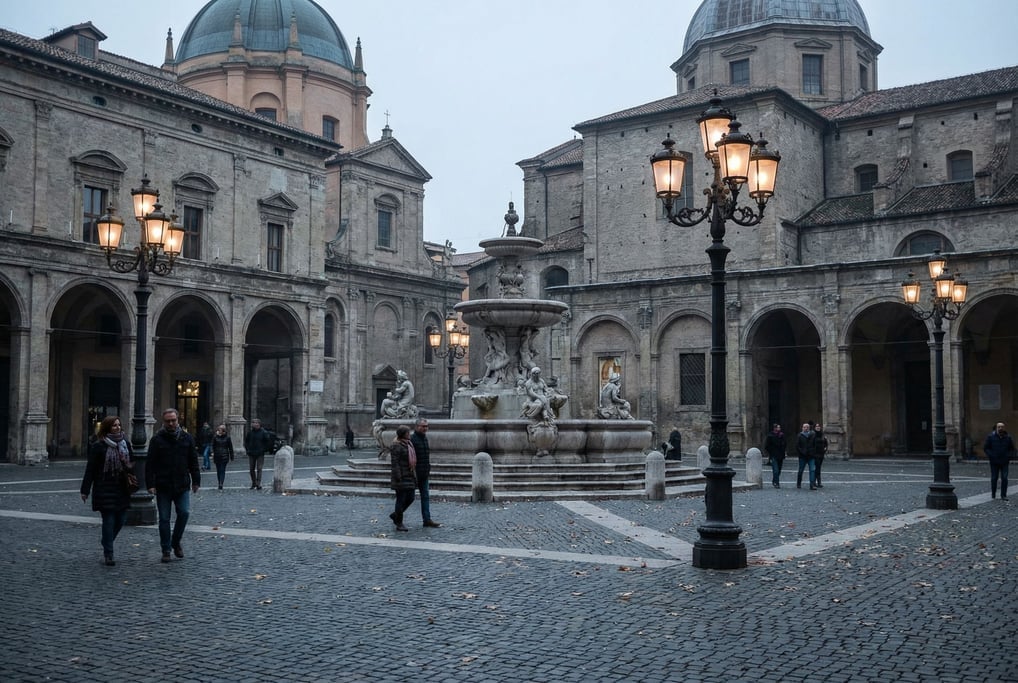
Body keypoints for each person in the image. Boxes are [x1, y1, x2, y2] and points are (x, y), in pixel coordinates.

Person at [147, 408, 200, 563]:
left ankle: (175, 542)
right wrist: (150, 484)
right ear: (164, 422)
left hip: (182, 484)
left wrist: (196, 481)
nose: (171, 423)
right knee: (164, 519)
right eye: (168, 421)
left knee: (184, 513)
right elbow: (150, 464)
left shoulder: (187, 438)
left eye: (173, 420)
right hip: (163, 485)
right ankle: (166, 549)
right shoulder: (157, 440)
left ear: (178, 420)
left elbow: (193, 461)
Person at [79, 415, 134, 566]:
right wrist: (85, 490)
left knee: (121, 520)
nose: (117, 427)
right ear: (107, 428)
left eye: (118, 425)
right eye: (114, 425)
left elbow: (132, 463)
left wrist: (130, 470)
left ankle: (106, 540)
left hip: (121, 488)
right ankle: (109, 553)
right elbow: (90, 470)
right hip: (104, 488)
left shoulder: (125, 444)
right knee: (109, 521)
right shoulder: (99, 446)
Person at [410, 417, 440, 528]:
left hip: (424, 473)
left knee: (425, 496)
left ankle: (427, 520)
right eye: (423, 426)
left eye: (426, 426)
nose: (425, 428)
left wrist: (428, 469)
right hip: (414, 473)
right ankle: (397, 516)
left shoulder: (424, 438)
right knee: (408, 497)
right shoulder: (413, 439)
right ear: (417, 427)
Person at [388, 425, 416, 532]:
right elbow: (395, 463)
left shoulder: (409, 444)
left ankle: (395, 515)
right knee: (400, 500)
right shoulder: (397, 446)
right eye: (408, 433)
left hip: (409, 475)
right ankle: (399, 523)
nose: (409, 435)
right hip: (401, 477)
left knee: (411, 498)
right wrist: (398, 477)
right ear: (403, 434)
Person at [984, 422, 1016, 500]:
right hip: (994, 461)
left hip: (1004, 461)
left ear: (1004, 428)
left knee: (1004, 478)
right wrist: (991, 455)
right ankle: (993, 494)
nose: (1000, 428)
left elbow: (1012, 449)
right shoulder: (991, 437)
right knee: (994, 478)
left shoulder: (1008, 437)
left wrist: (1009, 456)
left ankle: (1003, 495)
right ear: (996, 428)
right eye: (999, 427)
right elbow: (986, 448)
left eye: (1002, 427)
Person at [244, 418, 273, 490]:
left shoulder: (263, 432)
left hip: (260, 453)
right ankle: (253, 483)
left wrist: (264, 449)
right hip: (251, 452)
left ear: (259, 424)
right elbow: (246, 441)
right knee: (251, 469)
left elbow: (268, 442)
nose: (254, 424)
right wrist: (248, 449)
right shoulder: (250, 433)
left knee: (259, 468)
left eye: (255, 423)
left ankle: (258, 483)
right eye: (253, 423)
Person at [210, 424, 234, 490]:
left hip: (224, 456)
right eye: (218, 429)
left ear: (223, 431)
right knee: (218, 470)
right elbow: (212, 445)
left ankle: (221, 483)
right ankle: (219, 482)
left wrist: (232, 457)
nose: (218, 430)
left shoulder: (227, 438)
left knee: (222, 470)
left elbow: (230, 448)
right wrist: (212, 452)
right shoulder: (215, 437)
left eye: (220, 429)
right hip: (217, 456)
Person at [795, 422, 817, 490]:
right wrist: (801, 452)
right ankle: (799, 483)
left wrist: (813, 451)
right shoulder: (799, 435)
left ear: (809, 428)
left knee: (812, 470)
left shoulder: (813, 435)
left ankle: (812, 484)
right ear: (802, 428)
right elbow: (797, 446)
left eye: (807, 427)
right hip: (802, 456)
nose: (806, 428)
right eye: (804, 427)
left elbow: (815, 444)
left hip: (811, 455)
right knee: (801, 470)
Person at [763, 423, 786, 488]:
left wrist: (783, 450)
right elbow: (767, 446)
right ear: (775, 428)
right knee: (775, 470)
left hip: (781, 455)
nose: (779, 429)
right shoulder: (770, 436)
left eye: (779, 427)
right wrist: (771, 452)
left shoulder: (782, 435)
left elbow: (785, 444)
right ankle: (777, 483)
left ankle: (774, 480)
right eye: (778, 427)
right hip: (773, 455)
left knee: (779, 470)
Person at [813, 424, 829, 488]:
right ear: (814, 428)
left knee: (818, 468)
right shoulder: (813, 435)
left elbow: (826, 443)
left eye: (819, 427)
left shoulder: (822, 435)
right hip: (815, 454)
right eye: (816, 427)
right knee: (817, 468)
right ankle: (815, 482)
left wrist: (825, 449)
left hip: (821, 454)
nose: (818, 427)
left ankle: (818, 482)